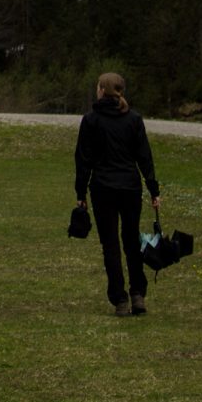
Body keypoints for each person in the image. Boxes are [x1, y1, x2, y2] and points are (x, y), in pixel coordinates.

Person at [73, 71, 161, 317]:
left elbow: (83, 159)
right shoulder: (133, 119)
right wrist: (153, 188)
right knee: (131, 239)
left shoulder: (91, 120)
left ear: (102, 90)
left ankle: (120, 298)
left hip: (102, 188)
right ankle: (137, 293)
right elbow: (145, 157)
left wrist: (81, 192)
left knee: (110, 243)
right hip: (130, 187)